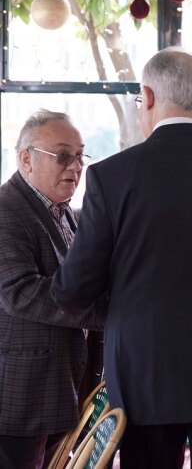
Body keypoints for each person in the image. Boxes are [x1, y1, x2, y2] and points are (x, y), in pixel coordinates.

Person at [51, 48, 192, 469]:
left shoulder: (111, 176)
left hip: (144, 371)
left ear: (148, 97)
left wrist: (120, 302)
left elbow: (74, 288)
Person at [0, 110, 105, 469]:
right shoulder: (6, 210)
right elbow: (19, 292)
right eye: (63, 155)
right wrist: (107, 313)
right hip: (21, 395)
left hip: (60, 387)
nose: (76, 166)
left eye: (80, 155)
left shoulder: (67, 214)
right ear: (26, 159)